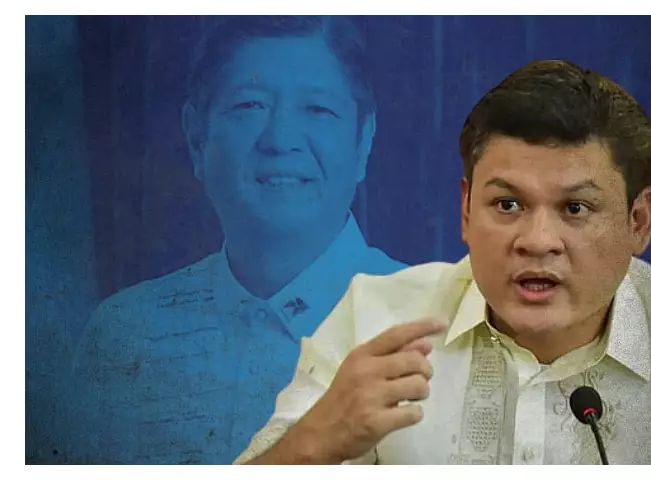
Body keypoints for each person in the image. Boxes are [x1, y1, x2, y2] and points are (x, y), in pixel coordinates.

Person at [234, 59, 651, 465]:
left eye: (576, 208)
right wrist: (313, 444)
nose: (537, 242)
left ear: (639, 221)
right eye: (508, 204)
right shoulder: (377, 323)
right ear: (466, 210)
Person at [66, 16, 406, 465]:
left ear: (363, 141)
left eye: (318, 109)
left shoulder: (433, 321)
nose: (280, 140)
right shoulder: (124, 336)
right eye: (249, 105)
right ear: (196, 138)